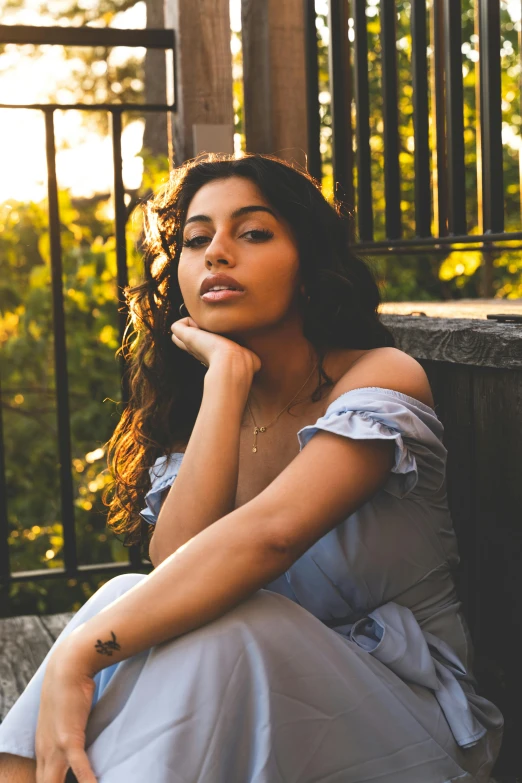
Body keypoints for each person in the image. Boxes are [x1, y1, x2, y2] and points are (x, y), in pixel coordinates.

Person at [0, 152, 503, 783]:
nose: (216, 253)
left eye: (253, 232)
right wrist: (227, 379)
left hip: (411, 721)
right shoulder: (212, 414)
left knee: (228, 624)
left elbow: (271, 537)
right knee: (128, 595)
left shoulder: (376, 379)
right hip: (247, 702)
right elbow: (179, 558)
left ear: (309, 265)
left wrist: (80, 653)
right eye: (195, 239)